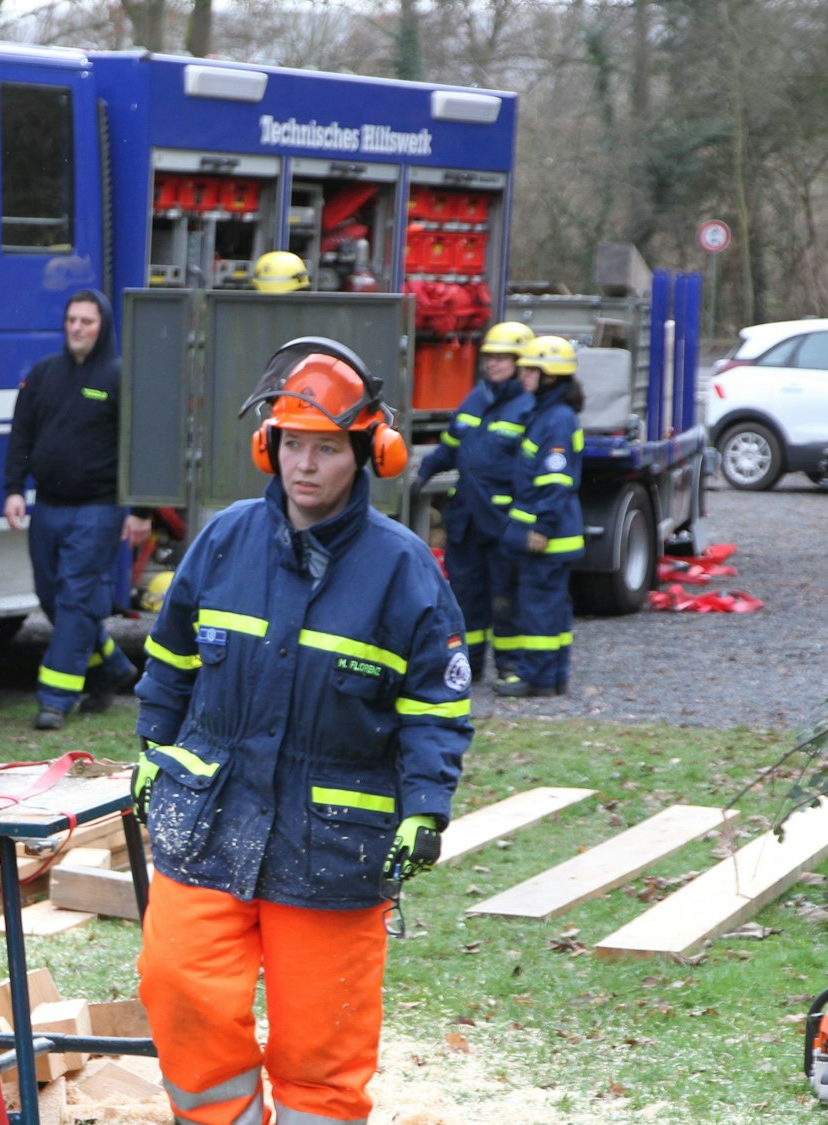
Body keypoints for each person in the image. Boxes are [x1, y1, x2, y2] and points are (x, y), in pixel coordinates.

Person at [129, 337, 472, 1125]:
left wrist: (424, 804)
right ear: (268, 446)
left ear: (366, 453)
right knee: (177, 985)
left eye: (325, 448)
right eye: (292, 444)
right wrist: (154, 745)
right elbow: (172, 657)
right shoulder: (223, 541)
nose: (305, 465)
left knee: (323, 1046)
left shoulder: (403, 569)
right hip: (209, 817)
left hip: (335, 837)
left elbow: (434, 706)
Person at [4, 290, 151, 730]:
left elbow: (141, 446)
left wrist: (141, 510)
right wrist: (13, 489)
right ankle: (111, 667)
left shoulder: (120, 377)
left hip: (99, 510)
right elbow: (21, 436)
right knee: (52, 598)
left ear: (102, 326)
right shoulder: (44, 374)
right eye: (72, 320)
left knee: (73, 600)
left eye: (87, 321)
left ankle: (56, 698)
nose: (78, 328)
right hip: (47, 508)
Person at [413, 320, 536, 681]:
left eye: (502, 358)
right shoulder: (476, 397)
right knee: (465, 596)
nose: (492, 364)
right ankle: (470, 664)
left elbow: (534, 470)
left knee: (506, 596)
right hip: (467, 519)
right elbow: (451, 445)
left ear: (520, 361)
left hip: (503, 519)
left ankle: (510, 665)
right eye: (489, 358)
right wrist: (423, 474)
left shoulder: (530, 407)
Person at [496, 335, 586, 698]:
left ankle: (537, 678)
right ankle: (554, 675)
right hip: (550, 533)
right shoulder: (548, 413)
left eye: (531, 368)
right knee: (553, 608)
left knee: (539, 609)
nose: (523, 374)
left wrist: (541, 526)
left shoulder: (556, 419)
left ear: (551, 375)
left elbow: (555, 481)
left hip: (548, 535)